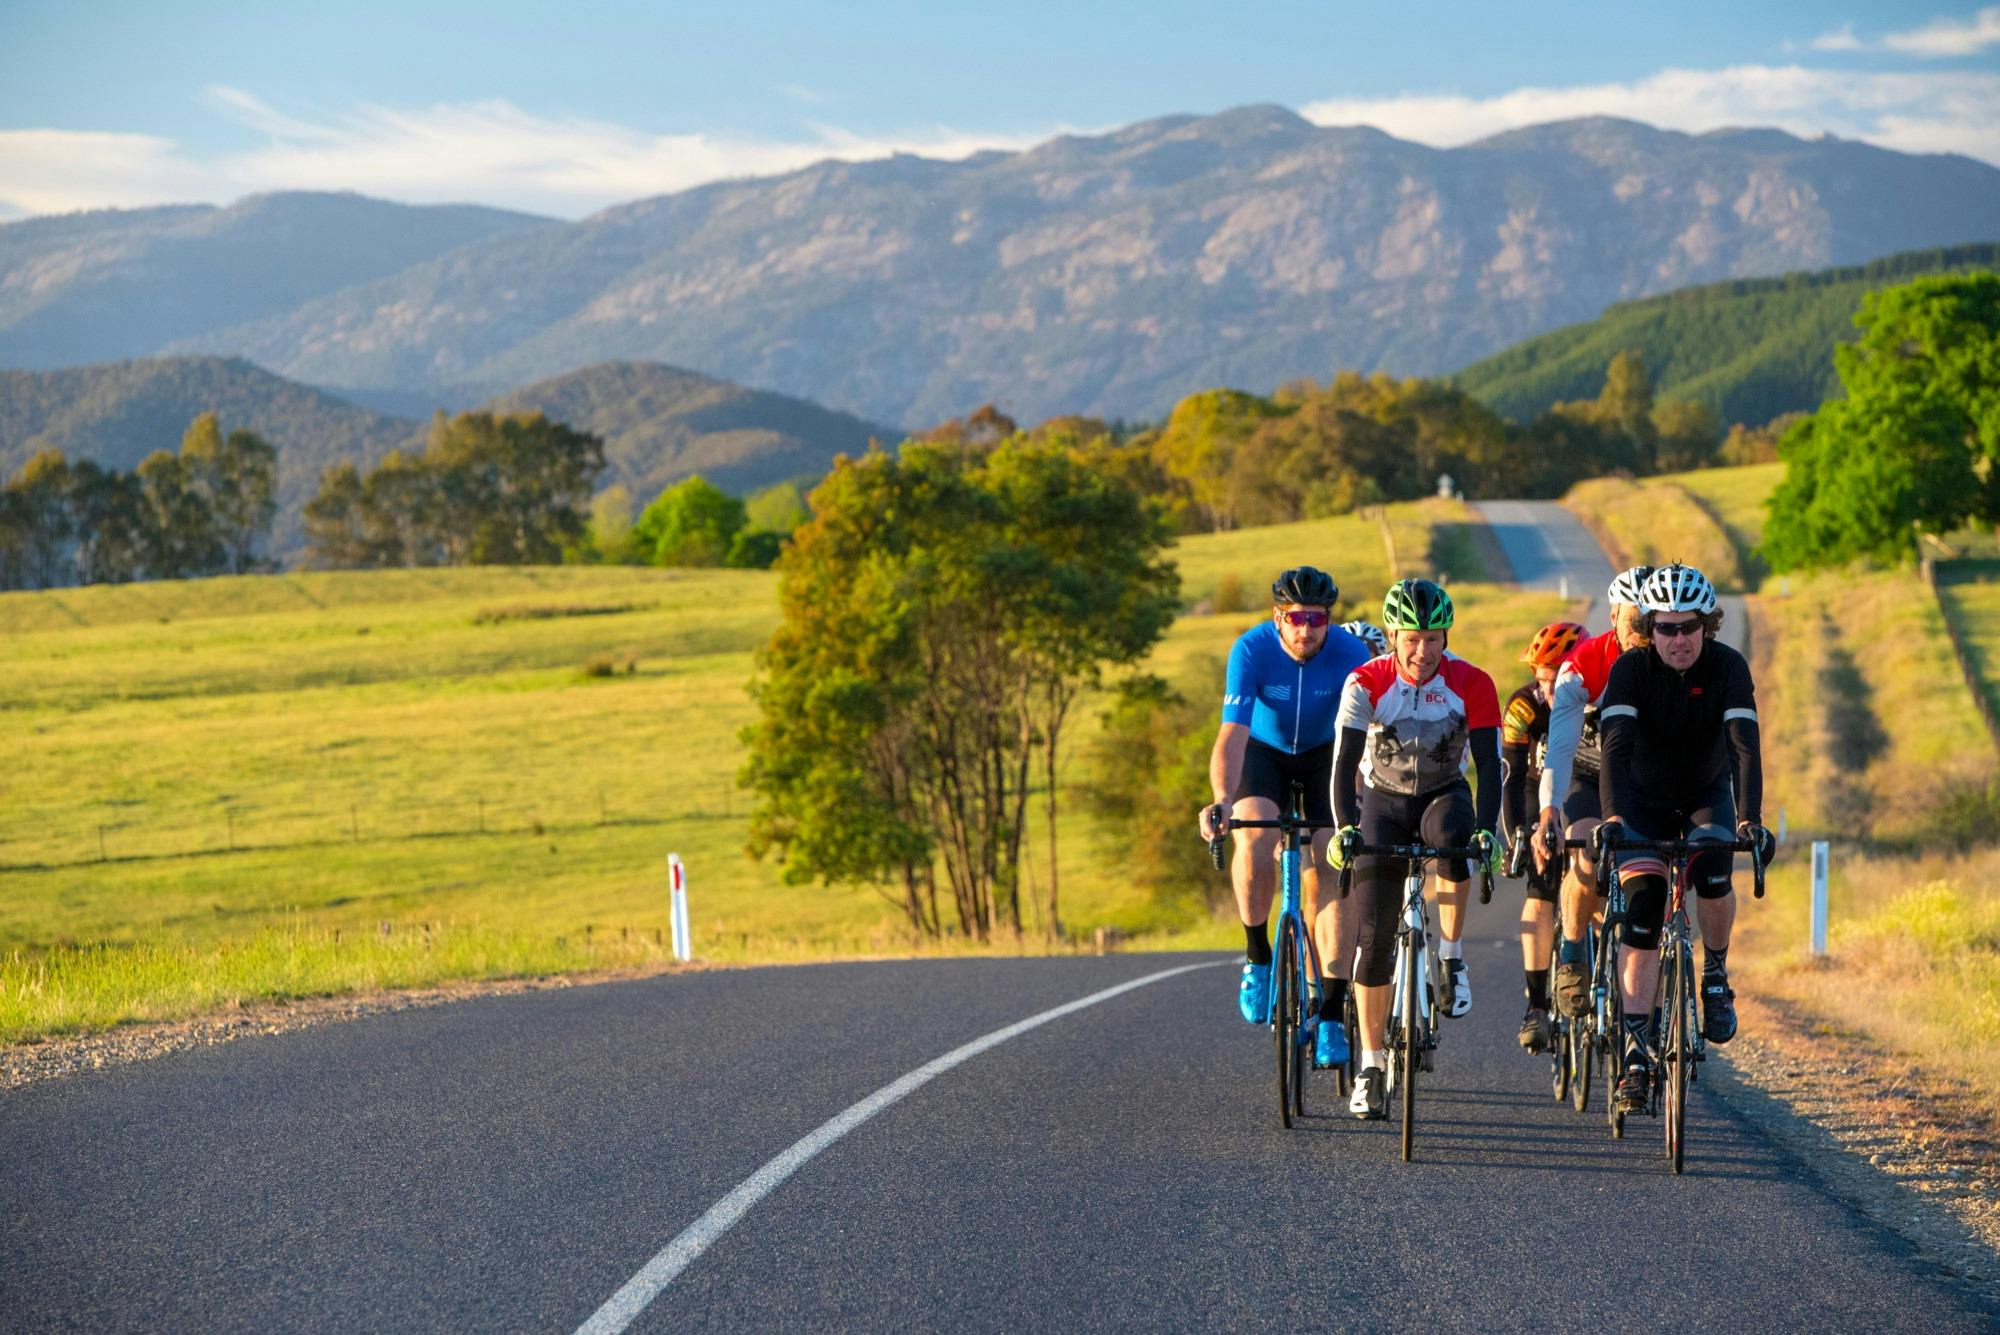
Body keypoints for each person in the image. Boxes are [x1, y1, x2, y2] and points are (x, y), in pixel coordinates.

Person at [1597, 563, 1774, 1114]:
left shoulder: (1728, 667)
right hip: (1642, 802)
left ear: (1708, 625)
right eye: (1666, 628)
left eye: (1689, 627)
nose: (1678, 639)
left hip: (1704, 795)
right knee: (1644, 911)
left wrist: (1751, 818)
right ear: (1651, 627)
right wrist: (1610, 819)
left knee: (1717, 871)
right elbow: (1615, 750)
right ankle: (1633, 1050)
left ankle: (1716, 973)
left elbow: (1744, 748)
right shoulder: (1630, 670)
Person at [1329, 578, 1504, 1119]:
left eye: (1432, 638)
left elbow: (1491, 767)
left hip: (1442, 794)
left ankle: (1450, 959)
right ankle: (1372, 1064)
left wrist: (1489, 830)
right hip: (1382, 801)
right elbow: (1342, 765)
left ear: (1445, 636)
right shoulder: (1364, 682)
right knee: (1373, 938)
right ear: (1391, 636)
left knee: (1457, 840)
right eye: (1410, 638)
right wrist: (1343, 828)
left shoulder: (1472, 682)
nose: (1422, 651)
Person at [1198, 567, 1374, 1070]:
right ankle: (1257, 957)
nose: (1305, 629)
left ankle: (1334, 1014)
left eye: (1316, 618)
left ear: (1329, 620)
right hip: (1264, 753)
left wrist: (1362, 803)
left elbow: (1363, 739)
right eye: (1295, 618)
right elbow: (1232, 734)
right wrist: (1222, 799)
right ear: (1278, 617)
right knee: (1254, 839)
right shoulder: (1250, 650)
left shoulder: (1349, 654)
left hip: (1326, 757)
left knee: (1337, 865)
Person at [1532, 566, 1655, 1019]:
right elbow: (1559, 749)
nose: (1644, 632)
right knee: (1585, 849)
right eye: (1634, 621)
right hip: (1587, 770)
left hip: (1642, 779)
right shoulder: (1583, 666)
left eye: (1653, 621)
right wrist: (1549, 810)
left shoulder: (1669, 657)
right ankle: (1570, 953)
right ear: (1613, 615)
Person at [1502, 620, 1585, 1055]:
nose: (1551, 690)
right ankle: (1536, 1006)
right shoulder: (1523, 706)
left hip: (1585, 786)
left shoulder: (1599, 696)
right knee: (1539, 890)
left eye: (1559, 679)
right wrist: (1518, 833)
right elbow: (1512, 778)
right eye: (1544, 679)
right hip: (1539, 790)